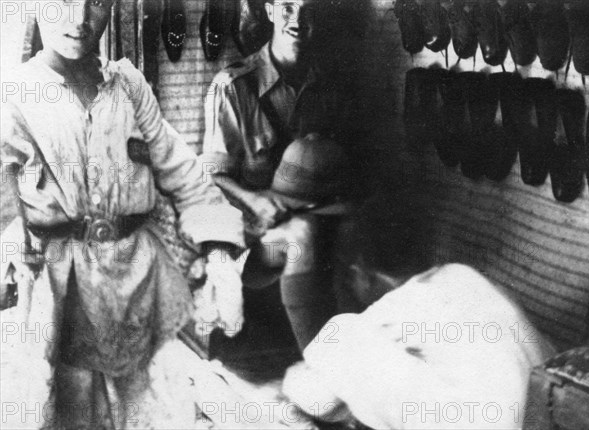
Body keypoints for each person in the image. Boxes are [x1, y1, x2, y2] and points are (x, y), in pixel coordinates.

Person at [0, 1, 231, 427]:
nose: (80, 19)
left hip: (138, 282)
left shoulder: (126, 84)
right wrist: (13, 233)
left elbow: (177, 166)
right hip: (59, 293)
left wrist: (218, 247)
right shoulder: (15, 91)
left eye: (97, 2)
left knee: (157, 409)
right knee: (65, 409)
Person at [200, 0, 357, 351]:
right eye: (288, 8)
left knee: (360, 231)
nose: (297, 21)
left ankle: (363, 359)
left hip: (315, 215)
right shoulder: (233, 86)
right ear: (269, 11)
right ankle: (320, 362)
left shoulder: (329, 84)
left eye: (308, 10)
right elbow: (212, 176)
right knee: (301, 234)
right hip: (254, 238)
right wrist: (256, 200)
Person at [282, 264, 557, 429]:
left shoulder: (365, 332)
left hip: (501, 420)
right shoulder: (458, 273)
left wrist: (300, 379)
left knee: (340, 369)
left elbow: (315, 394)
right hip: (552, 400)